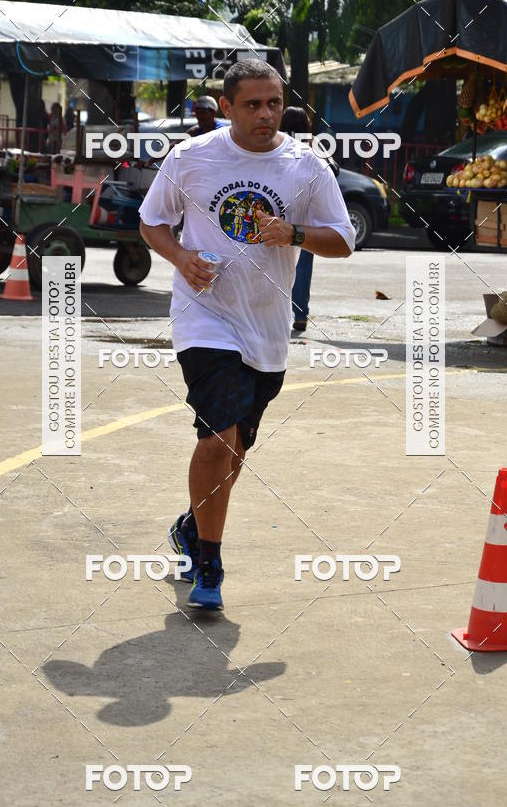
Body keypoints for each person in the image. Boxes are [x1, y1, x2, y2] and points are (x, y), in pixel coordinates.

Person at [138, 59, 355, 611]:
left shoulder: (306, 166)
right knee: (218, 438)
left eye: (274, 103)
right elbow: (151, 221)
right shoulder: (191, 158)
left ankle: (192, 526)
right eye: (253, 104)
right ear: (226, 108)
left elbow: (343, 240)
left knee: (235, 453)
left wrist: (296, 232)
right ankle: (208, 566)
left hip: (267, 328)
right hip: (203, 316)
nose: (266, 113)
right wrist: (181, 257)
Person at [280, 106, 340, 332]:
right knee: (302, 266)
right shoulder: (314, 146)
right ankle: (300, 314)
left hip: (278, 214)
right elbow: (334, 170)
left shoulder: (275, 144)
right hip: (306, 217)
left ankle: (272, 313)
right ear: (306, 125)